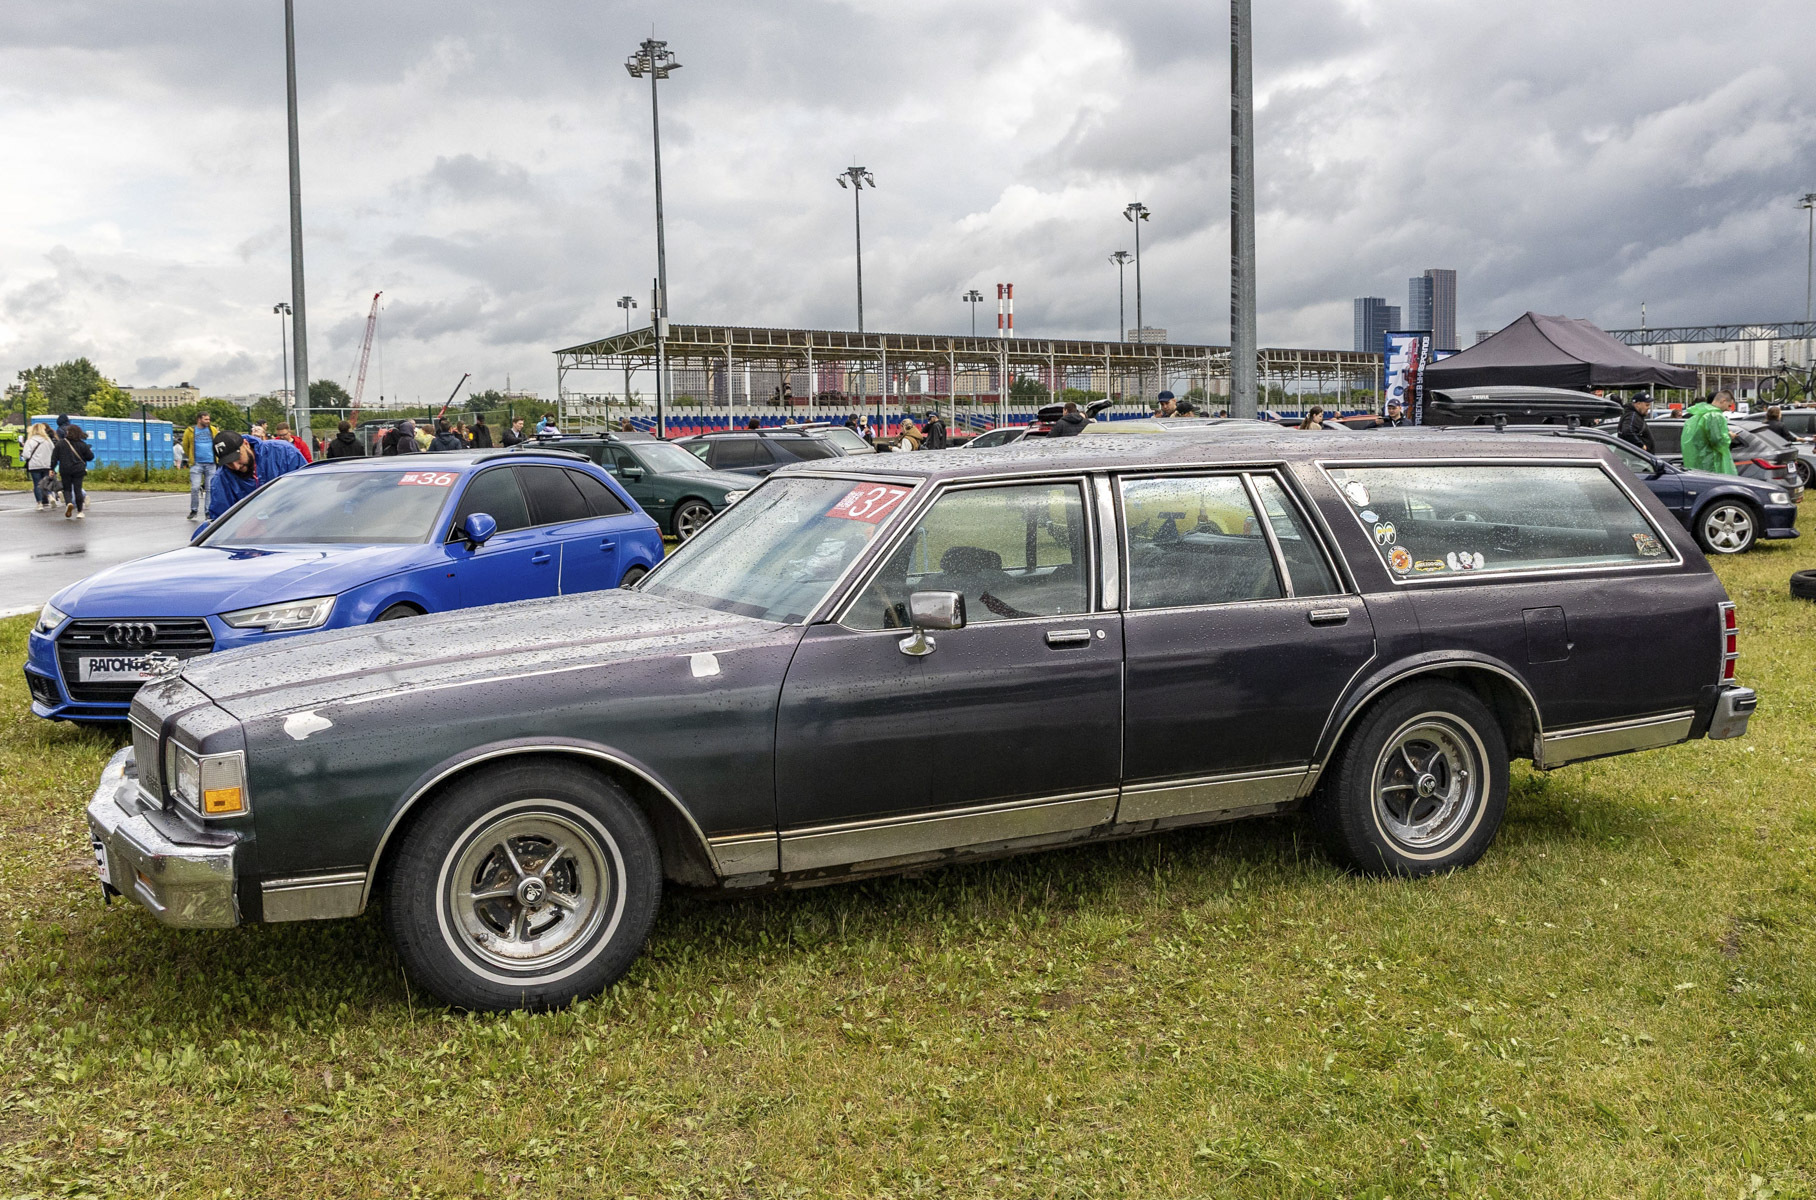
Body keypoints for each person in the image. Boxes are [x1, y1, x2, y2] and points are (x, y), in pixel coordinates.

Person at [207, 431, 307, 519]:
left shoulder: (284, 452)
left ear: (246, 444)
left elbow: (306, 488)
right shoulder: (221, 479)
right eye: (229, 463)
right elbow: (219, 520)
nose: (236, 466)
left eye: (237, 457)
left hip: (293, 521)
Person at [1681, 391, 1739, 475]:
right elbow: (1718, 441)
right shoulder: (1715, 416)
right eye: (1729, 405)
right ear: (1723, 401)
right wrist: (1730, 435)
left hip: (1697, 465)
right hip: (1712, 465)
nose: (1729, 409)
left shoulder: (1698, 415)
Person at [52, 423, 94, 519]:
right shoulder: (82, 444)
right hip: (78, 470)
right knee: (77, 489)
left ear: (67, 433)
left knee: (67, 489)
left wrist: (51, 468)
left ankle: (69, 503)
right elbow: (90, 457)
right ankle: (80, 512)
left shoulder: (60, 444)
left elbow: (54, 458)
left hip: (65, 469)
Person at [184, 413, 216, 520]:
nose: (208, 421)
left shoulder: (212, 430)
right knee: (195, 487)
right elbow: (185, 446)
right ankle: (194, 509)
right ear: (199, 420)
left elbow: (217, 442)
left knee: (210, 488)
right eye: (206, 419)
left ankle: (208, 511)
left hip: (211, 463)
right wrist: (191, 457)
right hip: (196, 464)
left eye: (209, 419)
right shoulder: (190, 431)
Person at [22, 423, 56, 510]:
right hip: (46, 465)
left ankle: (39, 503)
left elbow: (26, 455)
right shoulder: (48, 441)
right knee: (46, 483)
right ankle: (50, 496)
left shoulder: (30, 441)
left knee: (37, 484)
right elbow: (53, 451)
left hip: (34, 465)